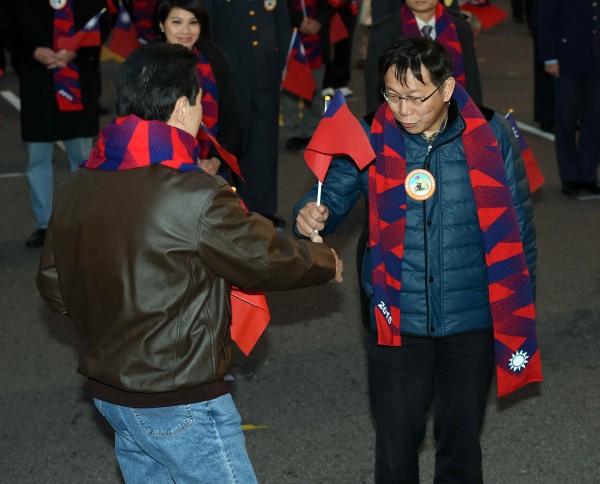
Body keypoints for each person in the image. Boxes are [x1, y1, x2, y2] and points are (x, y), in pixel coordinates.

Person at [36, 42, 343, 483]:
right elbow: (259, 255)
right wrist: (320, 258)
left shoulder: (79, 181)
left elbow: (54, 288)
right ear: (182, 107)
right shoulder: (193, 191)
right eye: (201, 102)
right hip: (178, 393)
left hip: (110, 392)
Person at [294, 37, 537, 483]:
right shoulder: (371, 134)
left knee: (461, 439)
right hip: (396, 318)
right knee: (395, 439)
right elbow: (332, 194)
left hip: (471, 317)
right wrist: (310, 212)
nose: (402, 110)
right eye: (392, 95)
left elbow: (519, 228)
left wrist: (518, 310)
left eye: (414, 97)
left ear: (446, 90)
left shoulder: (490, 132)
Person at [11, 0, 111, 248]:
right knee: (38, 159)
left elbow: (103, 18)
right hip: (37, 81)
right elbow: (6, 24)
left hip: (77, 77)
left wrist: (78, 50)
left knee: (82, 158)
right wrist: (33, 51)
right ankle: (44, 225)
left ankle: (83, 221)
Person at [202, 0, 291, 230]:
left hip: (266, 73)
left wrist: (281, 67)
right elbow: (208, 29)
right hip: (232, 75)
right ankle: (237, 207)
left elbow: (281, 24)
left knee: (265, 145)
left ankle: (265, 208)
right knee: (236, 143)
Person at [153, 0, 243, 179]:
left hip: (209, 169)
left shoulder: (215, 60)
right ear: (162, 25)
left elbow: (232, 119)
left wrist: (216, 159)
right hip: (159, 168)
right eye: (177, 22)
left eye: (193, 22)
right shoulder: (146, 66)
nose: (185, 31)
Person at [365, 0, 482, 112]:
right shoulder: (384, 31)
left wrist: (479, 117)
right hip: (404, 115)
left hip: (455, 114)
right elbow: (375, 83)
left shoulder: (460, 27)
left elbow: (472, 79)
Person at [537, 0, 600, 196]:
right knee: (566, 118)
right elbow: (544, 18)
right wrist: (549, 57)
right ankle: (570, 176)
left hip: (595, 60)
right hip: (566, 60)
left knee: (594, 118)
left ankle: (589, 174)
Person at [283, 0, 334, 152]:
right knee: (290, 90)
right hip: (292, 39)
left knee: (315, 88)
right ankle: (292, 133)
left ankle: (310, 131)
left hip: (317, 40)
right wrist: (299, 22)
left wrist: (318, 21)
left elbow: (331, 4)